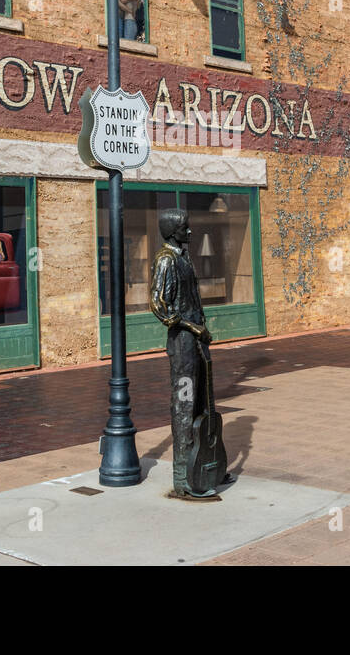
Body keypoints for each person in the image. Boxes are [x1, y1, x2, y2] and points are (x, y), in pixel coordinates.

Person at [149, 208, 227, 498]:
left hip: (198, 340)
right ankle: (183, 477)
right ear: (172, 231)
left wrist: (201, 331)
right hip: (183, 343)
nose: (190, 232)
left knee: (204, 402)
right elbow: (159, 305)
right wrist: (193, 329)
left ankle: (205, 464)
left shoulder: (184, 256)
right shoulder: (166, 260)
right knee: (184, 403)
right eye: (185, 228)